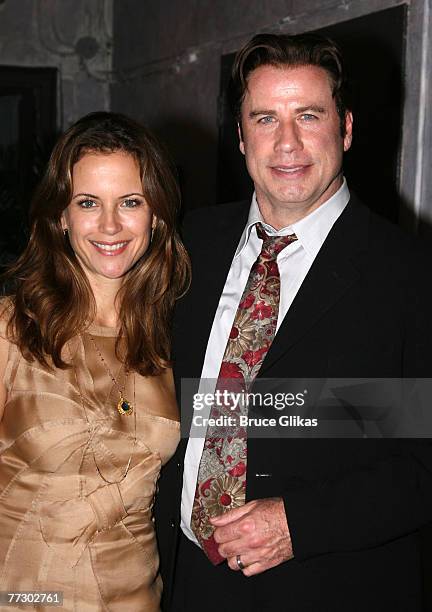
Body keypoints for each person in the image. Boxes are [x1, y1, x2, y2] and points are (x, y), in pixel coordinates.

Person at [155, 33, 432, 611]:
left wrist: (298, 524)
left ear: (346, 128)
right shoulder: (191, 246)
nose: (287, 142)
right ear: (240, 135)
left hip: (326, 587)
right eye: (264, 118)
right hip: (182, 585)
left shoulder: (409, 274)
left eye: (308, 115)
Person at [0, 112, 190, 611]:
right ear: (60, 215)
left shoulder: (173, 337)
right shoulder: (11, 328)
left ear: (157, 216)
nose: (110, 225)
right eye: (88, 203)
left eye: (130, 202)